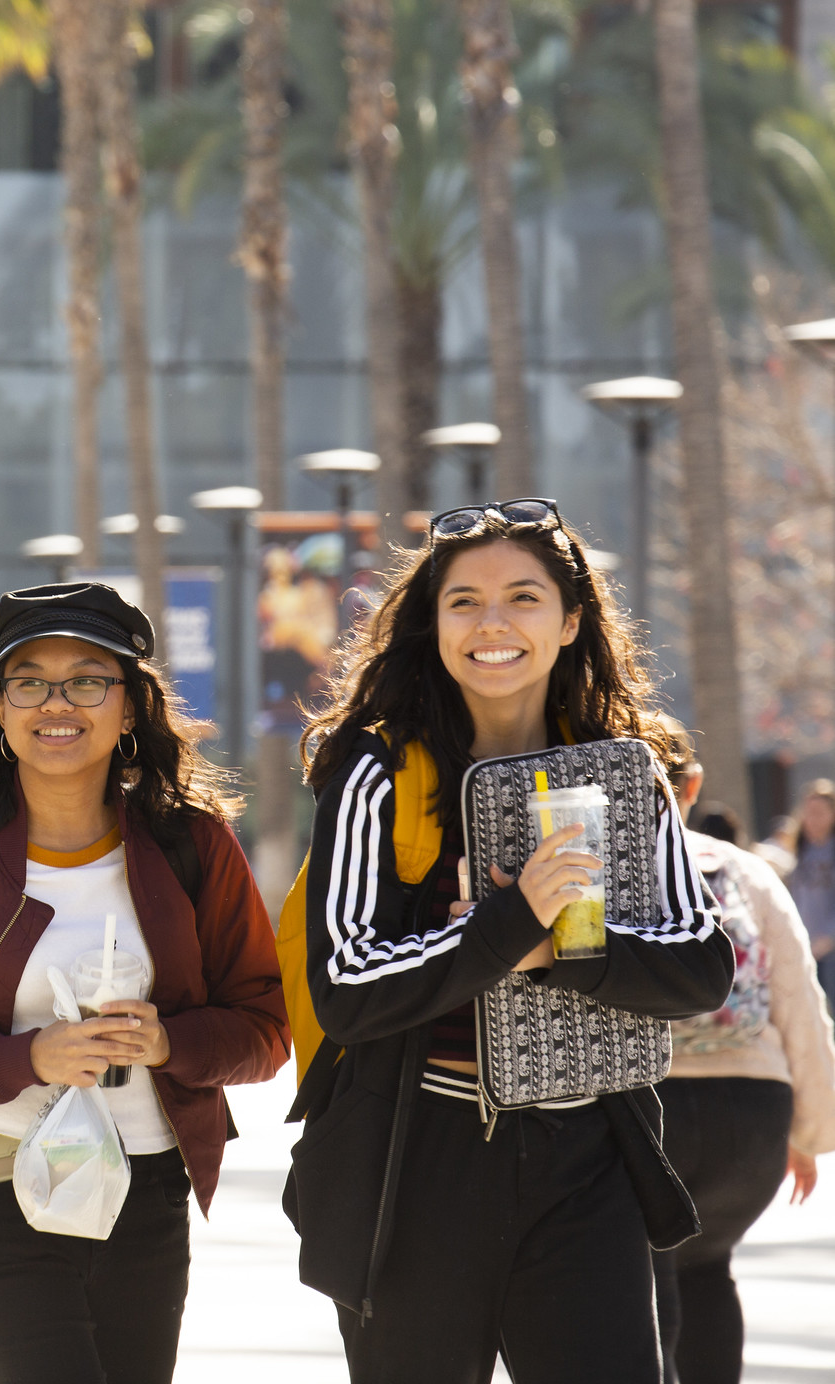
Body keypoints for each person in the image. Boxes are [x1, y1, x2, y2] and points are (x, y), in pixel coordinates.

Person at [289, 499, 735, 1382]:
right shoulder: (375, 771)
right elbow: (346, 984)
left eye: (523, 598)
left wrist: (560, 947)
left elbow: (697, 966)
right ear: (433, 622)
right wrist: (510, 925)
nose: (492, 623)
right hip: (414, 1166)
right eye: (463, 602)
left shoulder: (623, 770)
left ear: (570, 621)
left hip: (588, 1164)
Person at [0, 581, 291, 1384]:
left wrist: (168, 1041)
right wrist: (30, 1058)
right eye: (29, 681)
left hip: (147, 1188)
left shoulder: (192, 844)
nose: (57, 702)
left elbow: (263, 1033)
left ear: (129, 707)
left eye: (87, 679)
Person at [654, 723, 835, 1384]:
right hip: (752, 1117)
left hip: (652, 1110)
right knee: (706, 1266)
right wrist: (810, 1132)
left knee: (646, 1277)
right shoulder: (743, 868)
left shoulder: (592, 863)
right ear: (691, 785)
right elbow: (797, 1000)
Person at [777, 780, 835, 1016]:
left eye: (819, 813)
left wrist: (829, 938)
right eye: (809, 813)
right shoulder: (798, 851)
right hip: (807, 945)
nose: (813, 819)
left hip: (829, 946)